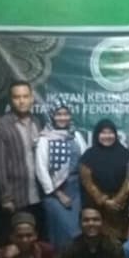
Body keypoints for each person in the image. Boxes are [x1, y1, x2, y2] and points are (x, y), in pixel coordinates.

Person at [35, 105, 85, 250]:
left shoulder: (76, 136)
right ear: (52, 116)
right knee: (63, 233)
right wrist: (58, 194)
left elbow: (85, 161)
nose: (63, 118)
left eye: (66, 114)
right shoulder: (44, 139)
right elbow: (41, 169)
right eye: (58, 114)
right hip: (55, 193)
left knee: (78, 233)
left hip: (76, 192)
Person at [0, 80, 41, 228]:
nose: (21, 101)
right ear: (10, 100)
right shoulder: (1, 126)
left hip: (38, 195)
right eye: (17, 97)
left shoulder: (37, 122)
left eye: (25, 96)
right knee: (17, 237)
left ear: (32, 98)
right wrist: (5, 197)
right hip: (16, 197)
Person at [79, 119, 129, 240]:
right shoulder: (88, 155)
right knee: (98, 239)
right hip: (96, 208)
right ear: (97, 135)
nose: (107, 136)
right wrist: (105, 201)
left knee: (119, 241)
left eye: (110, 133)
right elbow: (87, 182)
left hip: (120, 208)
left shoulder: (125, 154)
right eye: (103, 133)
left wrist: (117, 200)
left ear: (116, 135)